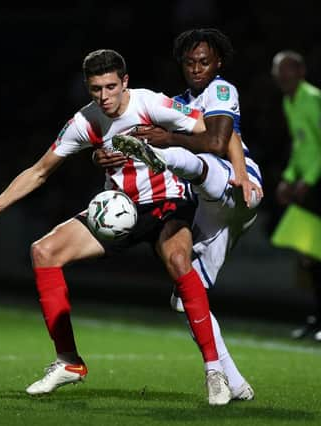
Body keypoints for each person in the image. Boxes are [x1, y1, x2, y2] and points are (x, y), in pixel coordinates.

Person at [0, 49, 232, 405]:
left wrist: (187, 146)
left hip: (167, 205)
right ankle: (69, 361)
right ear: (87, 88)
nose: (105, 97)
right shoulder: (85, 121)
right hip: (119, 211)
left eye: (111, 87)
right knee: (43, 251)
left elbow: (212, 128)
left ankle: (214, 371)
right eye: (96, 89)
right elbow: (39, 171)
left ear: (125, 82)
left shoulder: (151, 103)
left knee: (178, 262)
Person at [98, 28, 262, 401]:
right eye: (190, 63)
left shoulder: (221, 90)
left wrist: (166, 141)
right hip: (211, 209)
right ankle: (233, 382)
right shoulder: (176, 104)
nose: (197, 68)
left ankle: (169, 161)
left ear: (218, 61)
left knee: (201, 161)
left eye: (204, 61)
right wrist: (106, 155)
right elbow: (133, 134)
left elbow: (221, 140)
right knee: (188, 296)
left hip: (237, 186)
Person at [271, 50, 321, 342]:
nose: (282, 77)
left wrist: (309, 181)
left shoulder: (313, 99)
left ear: (301, 72)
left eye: (287, 71)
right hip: (309, 181)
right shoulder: (288, 101)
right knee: (309, 254)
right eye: (279, 72)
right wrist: (289, 179)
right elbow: (301, 146)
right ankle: (319, 317)